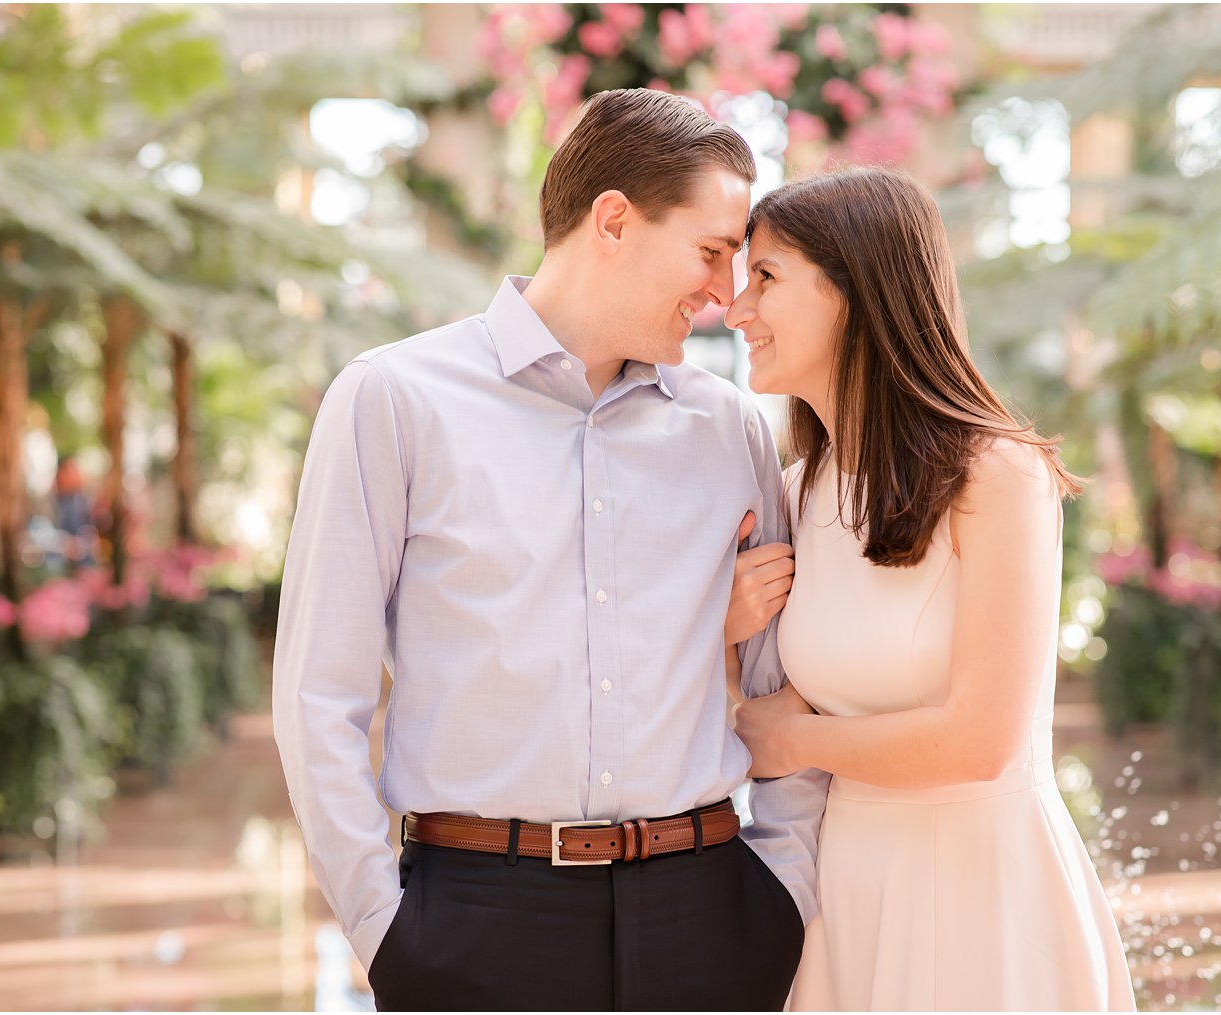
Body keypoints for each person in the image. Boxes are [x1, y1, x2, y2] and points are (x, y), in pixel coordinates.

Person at [272, 88, 826, 1012]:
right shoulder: (394, 398)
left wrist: (783, 894)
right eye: (712, 251)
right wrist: (385, 929)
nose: (726, 295)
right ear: (613, 220)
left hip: (711, 916)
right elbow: (318, 696)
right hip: (475, 923)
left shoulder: (727, 426)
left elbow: (782, 677)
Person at [723, 168, 1137, 1011]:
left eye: (765, 277)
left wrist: (798, 743)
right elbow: (767, 709)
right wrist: (724, 627)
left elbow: (979, 738)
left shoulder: (997, 476)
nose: (736, 311)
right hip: (847, 893)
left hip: (985, 895)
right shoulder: (799, 492)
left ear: (855, 290)